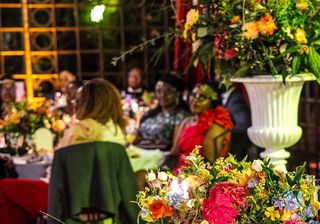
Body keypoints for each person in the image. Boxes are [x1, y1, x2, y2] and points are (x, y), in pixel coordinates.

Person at [0, 78, 129, 224]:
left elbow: (59, 167)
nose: (74, 103)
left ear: (91, 103)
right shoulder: (116, 130)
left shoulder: (80, 131)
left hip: (65, 198)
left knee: (3, 189)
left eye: (80, 99)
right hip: (103, 199)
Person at [170, 81, 233, 169]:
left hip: (202, 175)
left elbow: (212, 164)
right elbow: (174, 153)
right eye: (193, 95)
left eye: (202, 97)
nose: (195, 99)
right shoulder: (185, 122)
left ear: (212, 101)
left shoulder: (217, 124)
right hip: (179, 173)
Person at [135, 73, 189, 151]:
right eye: (159, 91)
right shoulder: (150, 114)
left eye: (168, 91)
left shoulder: (182, 117)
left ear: (178, 93)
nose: (163, 95)